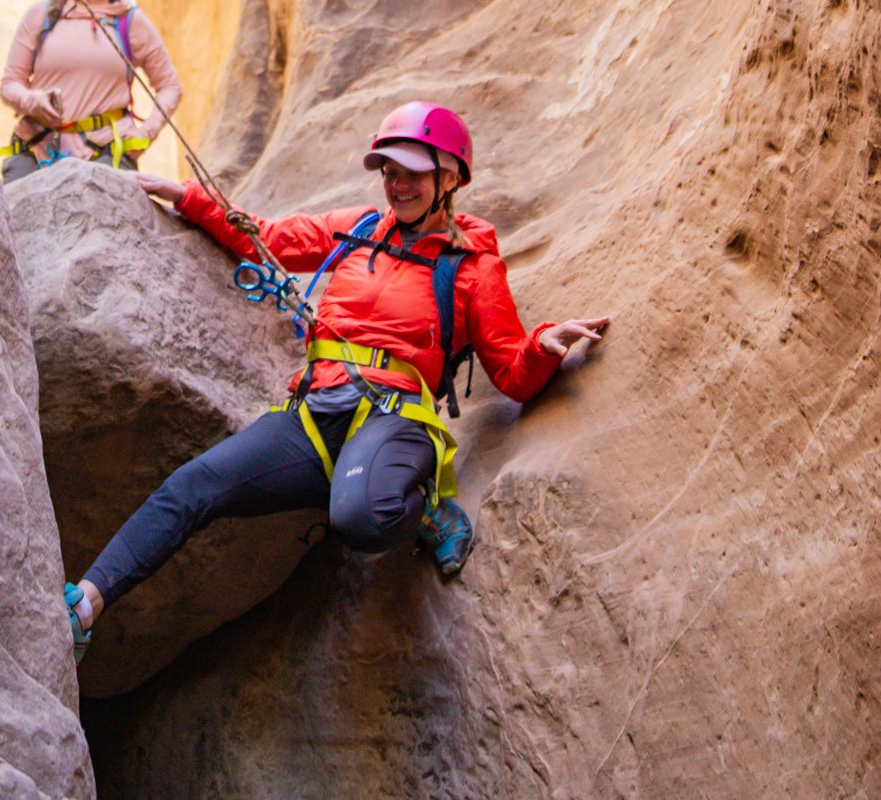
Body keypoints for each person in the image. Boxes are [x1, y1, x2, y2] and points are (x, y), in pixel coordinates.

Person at [62, 101, 610, 661]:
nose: (396, 185)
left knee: (359, 517)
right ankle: (84, 606)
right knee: (194, 485)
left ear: (450, 178)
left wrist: (543, 345)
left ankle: (423, 508)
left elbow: (511, 372)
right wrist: (188, 197)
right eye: (389, 172)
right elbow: (268, 238)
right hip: (314, 411)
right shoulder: (360, 229)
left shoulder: (472, 267)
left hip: (395, 415)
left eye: (412, 174)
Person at [0, 0, 182, 183]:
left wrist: (146, 133)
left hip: (107, 151)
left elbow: (170, 87)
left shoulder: (130, 21)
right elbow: (10, 84)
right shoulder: (41, 15)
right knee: (9, 210)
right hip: (36, 147)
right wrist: (32, 101)